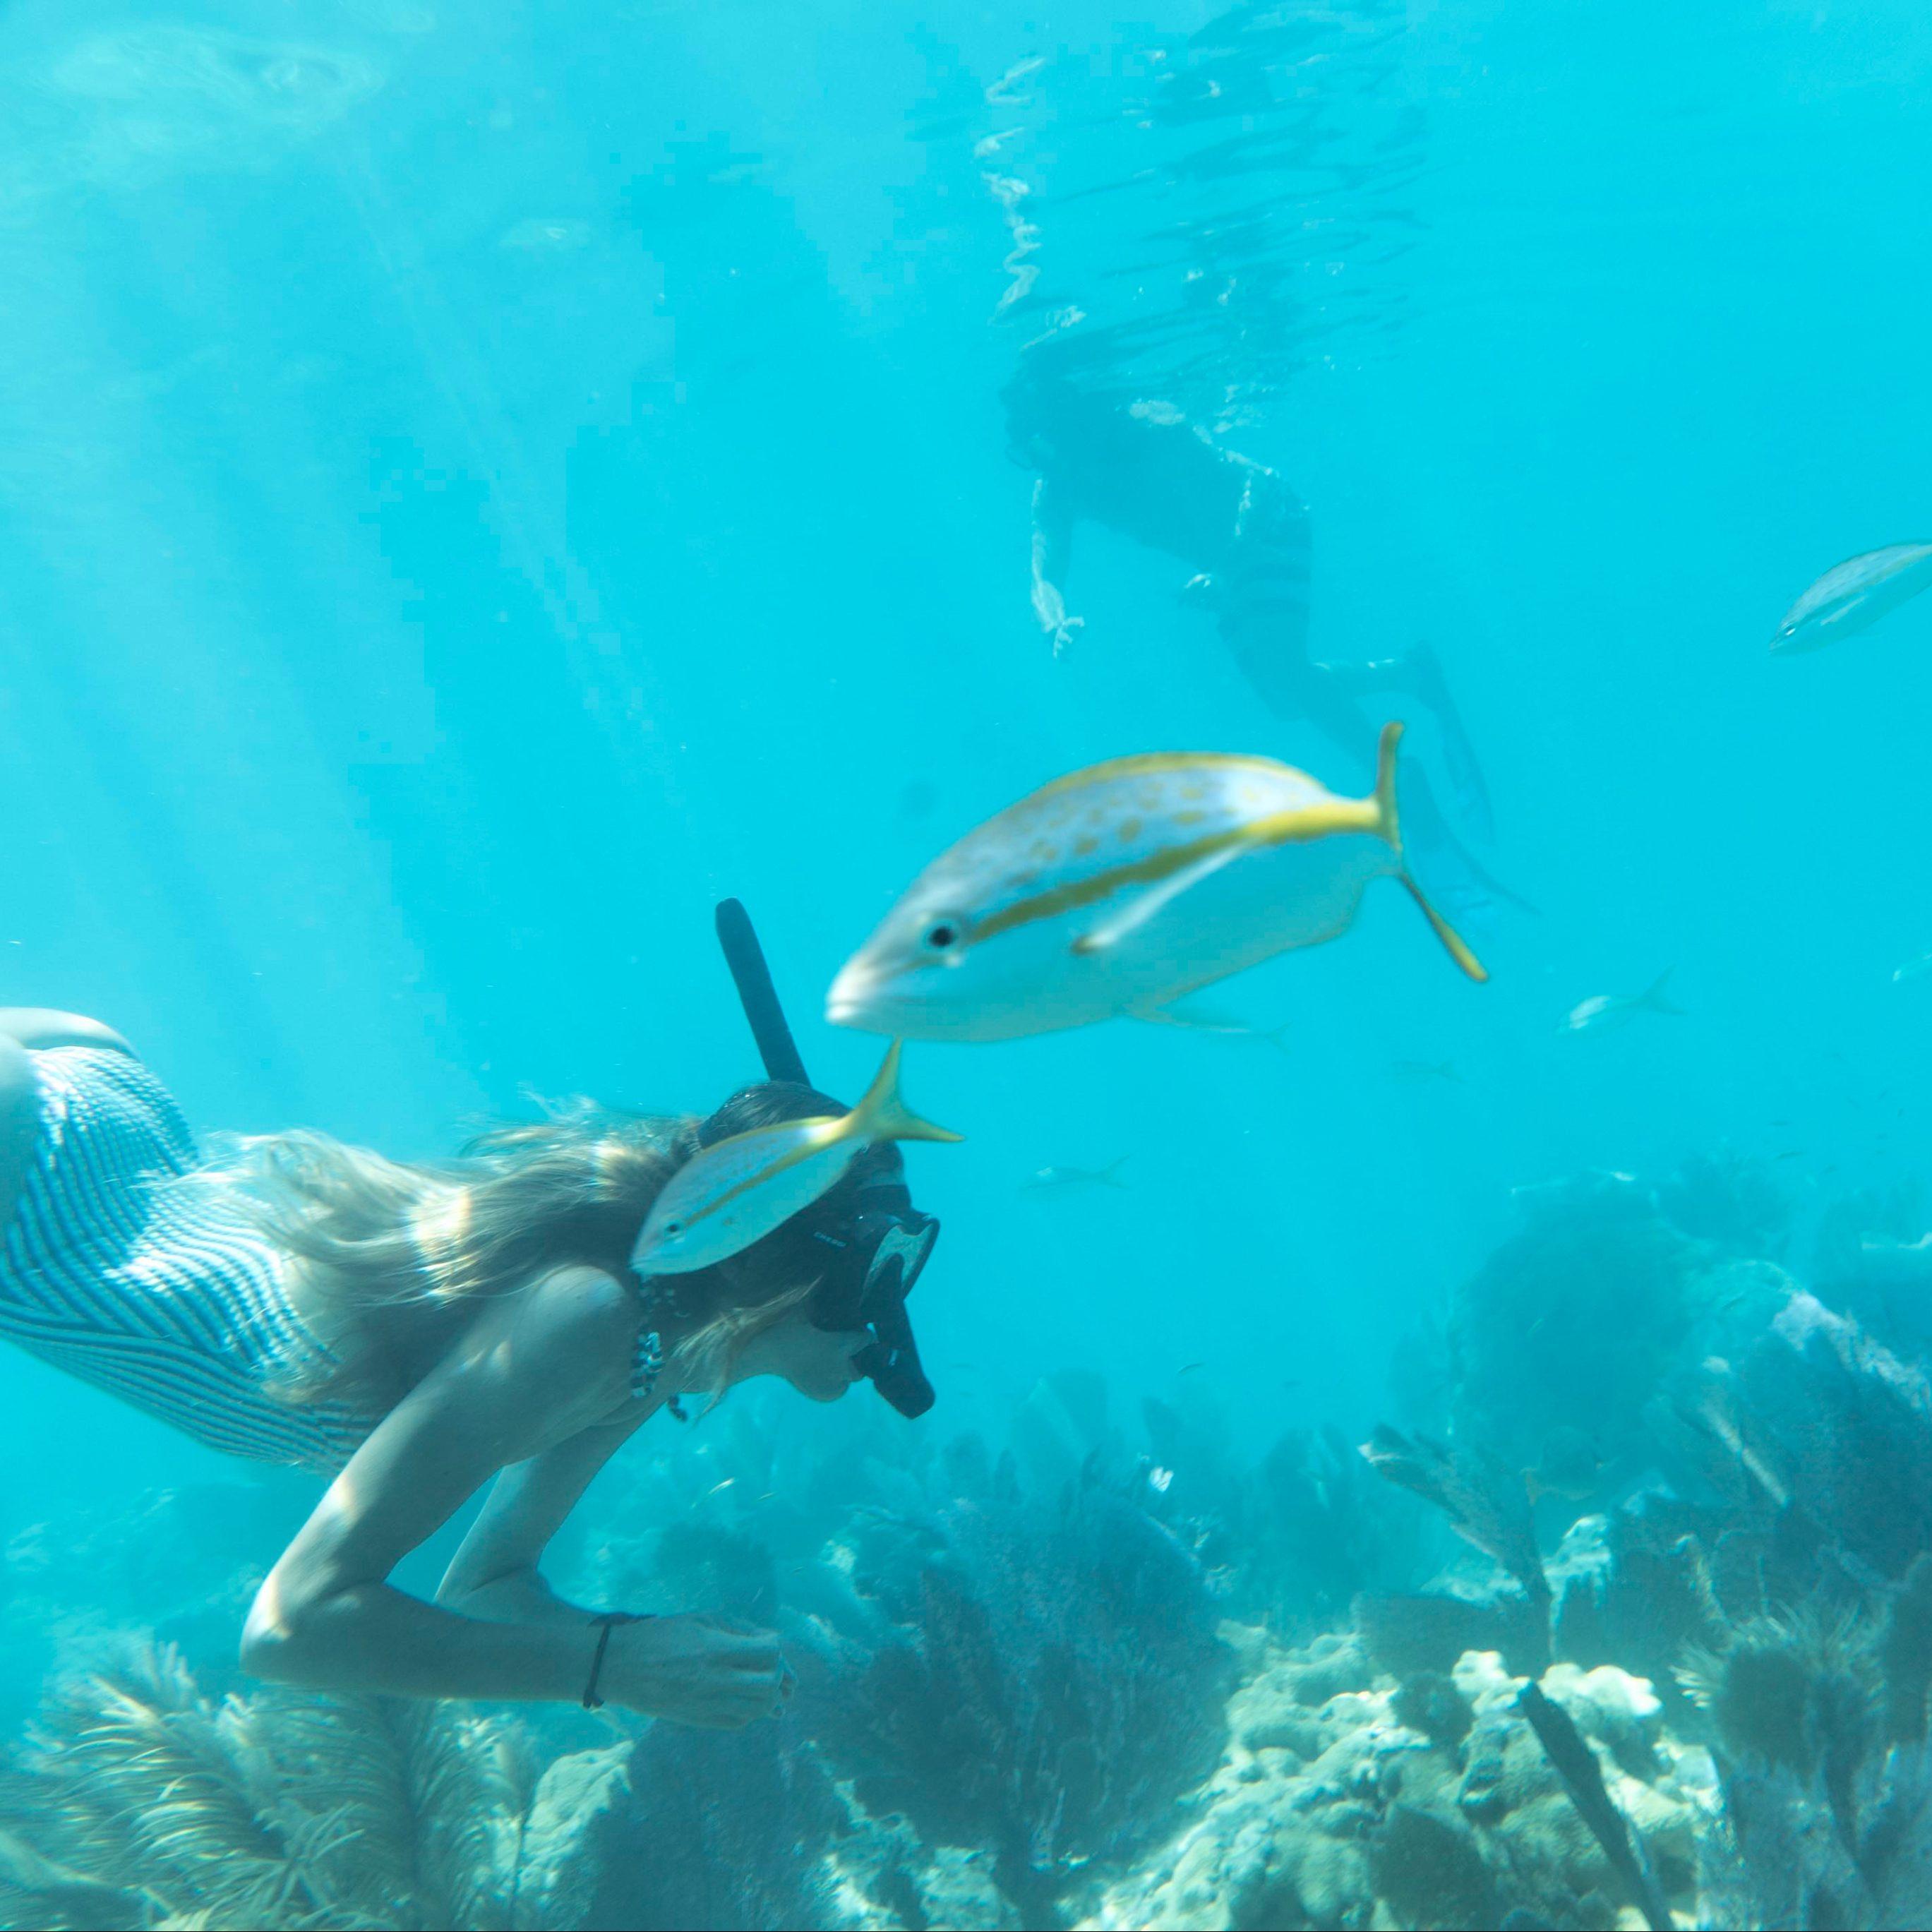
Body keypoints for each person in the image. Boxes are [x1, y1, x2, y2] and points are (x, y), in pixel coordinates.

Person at [0, 920, 941, 1728]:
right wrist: (605, 1668)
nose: (886, 1314)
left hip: (106, 1116)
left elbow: (486, 1588)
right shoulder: (592, 1314)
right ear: (767, 1266)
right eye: (875, 1270)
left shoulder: (652, 1347)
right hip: (36, 1190)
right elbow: (290, 1627)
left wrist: (634, 1646)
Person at [1003, 350, 1494, 849]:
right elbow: (1044, 572)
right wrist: (1054, 621)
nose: (1049, 453)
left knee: (1286, 673)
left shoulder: (1147, 427)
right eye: (1036, 443)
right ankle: (1410, 675)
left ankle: (1396, 782)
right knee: (1285, 700)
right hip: (1221, 564)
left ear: (1077, 417)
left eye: (1051, 435)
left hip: (1270, 522)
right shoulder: (1056, 485)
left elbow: (1252, 483)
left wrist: (1229, 568)